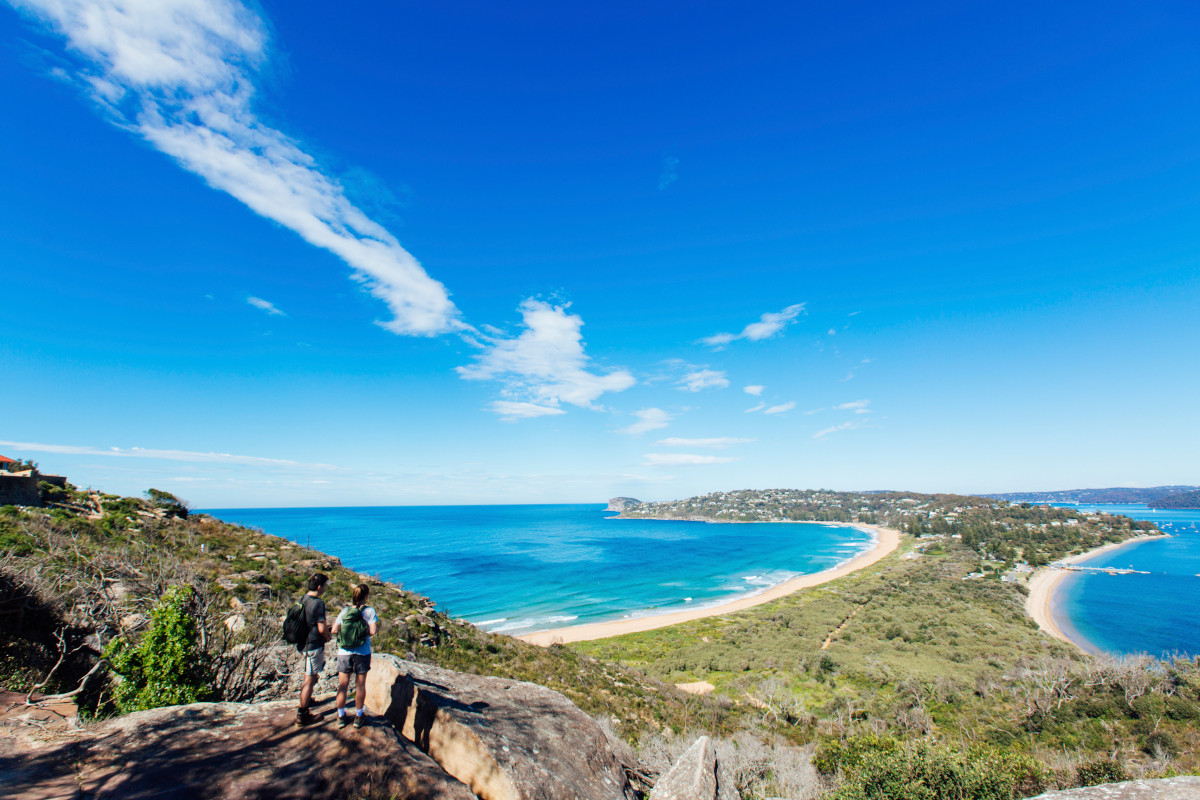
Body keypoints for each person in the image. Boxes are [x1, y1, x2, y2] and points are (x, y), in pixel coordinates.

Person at [330, 583, 379, 729]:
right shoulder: (369, 611)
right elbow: (373, 631)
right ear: (366, 596)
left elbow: (334, 629)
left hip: (344, 652)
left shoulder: (345, 611)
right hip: (362, 652)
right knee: (360, 684)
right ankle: (358, 716)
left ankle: (341, 716)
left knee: (343, 685)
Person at [295, 573, 329, 727]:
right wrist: (328, 638)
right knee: (310, 677)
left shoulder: (303, 599)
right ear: (319, 586)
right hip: (314, 644)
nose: (326, 588)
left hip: (303, 643)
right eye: (325, 585)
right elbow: (322, 628)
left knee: (310, 674)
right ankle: (303, 714)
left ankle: (307, 699)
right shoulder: (318, 603)